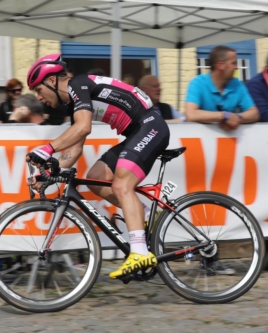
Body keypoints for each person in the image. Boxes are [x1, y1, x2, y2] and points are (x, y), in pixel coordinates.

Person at [26, 54, 170, 279]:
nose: (39, 97)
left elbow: (84, 128)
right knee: (95, 177)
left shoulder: (77, 85)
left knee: (122, 185)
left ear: (52, 81)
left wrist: (47, 149)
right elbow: (74, 149)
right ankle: (145, 213)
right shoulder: (73, 102)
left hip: (151, 126)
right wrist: (48, 171)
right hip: (136, 132)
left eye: (38, 89)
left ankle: (140, 252)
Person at [185, 45, 259, 130]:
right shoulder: (197, 83)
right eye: (233, 63)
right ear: (220, 65)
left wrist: (236, 118)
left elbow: (254, 113)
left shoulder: (237, 84)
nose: (237, 67)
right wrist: (224, 116)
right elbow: (191, 114)